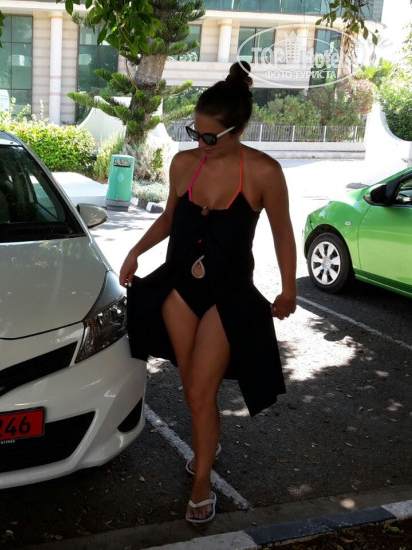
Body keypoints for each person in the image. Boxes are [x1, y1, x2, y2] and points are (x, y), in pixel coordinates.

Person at [119, 61, 297, 525]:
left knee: (200, 389)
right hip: (179, 286)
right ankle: (207, 440)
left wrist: (289, 289)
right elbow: (168, 219)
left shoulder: (263, 171)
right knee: (192, 387)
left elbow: (282, 233)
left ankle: (202, 482)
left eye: (211, 137)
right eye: (195, 133)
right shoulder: (183, 164)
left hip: (228, 293)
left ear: (238, 131)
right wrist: (135, 252)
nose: (201, 143)